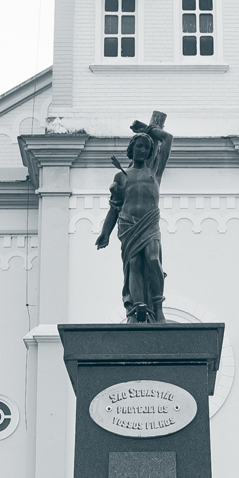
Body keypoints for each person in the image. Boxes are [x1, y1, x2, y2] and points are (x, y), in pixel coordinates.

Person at [96, 112, 172, 323]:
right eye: (139, 146)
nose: (143, 150)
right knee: (135, 264)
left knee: (153, 258)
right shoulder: (121, 175)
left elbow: (167, 139)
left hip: (149, 223)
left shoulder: (154, 172)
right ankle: (137, 308)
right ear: (132, 149)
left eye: (147, 147)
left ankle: (158, 307)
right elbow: (114, 208)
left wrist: (148, 129)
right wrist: (105, 233)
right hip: (128, 224)